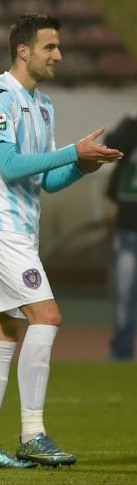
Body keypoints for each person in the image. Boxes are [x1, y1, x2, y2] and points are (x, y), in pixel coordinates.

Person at [0, 14, 123, 468]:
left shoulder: (44, 105)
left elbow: (47, 180)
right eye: (50, 47)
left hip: (20, 228)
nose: (58, 55)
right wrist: (73, 151)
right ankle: (33, 433)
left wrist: (80, 166)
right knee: (47, 315)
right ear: (23, 50)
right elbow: (11, 166)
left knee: (5, 330)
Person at [106, 113, 137, 361]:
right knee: (125, 299)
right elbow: (112, 146)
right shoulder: (130, 128)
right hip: (129, 230)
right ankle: (121, 354)